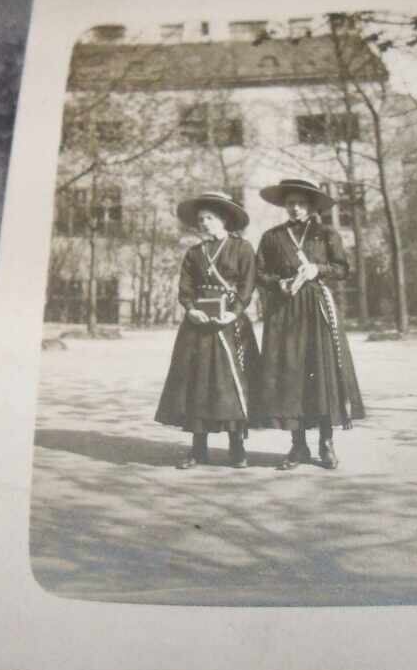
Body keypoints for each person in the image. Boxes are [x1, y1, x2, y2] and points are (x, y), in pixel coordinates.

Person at [254, 178, 366, 470]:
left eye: (301, 203)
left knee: (321, 372)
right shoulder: (272, 237)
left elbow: (342, 268)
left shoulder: (325, 234)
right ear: (285, 205)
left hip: (317, 308)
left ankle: (326, 443)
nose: (295, 208)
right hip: (285, 310)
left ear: (311, 206)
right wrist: (279, 283)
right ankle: (298, 445)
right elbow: (259, 273)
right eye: (291, 203)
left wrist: (319, 268)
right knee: (291, 374)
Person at [155, 191, 260, 469]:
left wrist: (233, 312)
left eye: (210, 218)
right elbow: (185, 289)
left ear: (224, 219)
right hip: (198, 326)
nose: (204, 223)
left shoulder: (242, 248)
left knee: (231, 384)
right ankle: (198, 449)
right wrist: (191, 309)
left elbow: (248, 285)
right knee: (198, 384)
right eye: (201, 219)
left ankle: (237, 447)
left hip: (230, 324)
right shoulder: (194, 253)